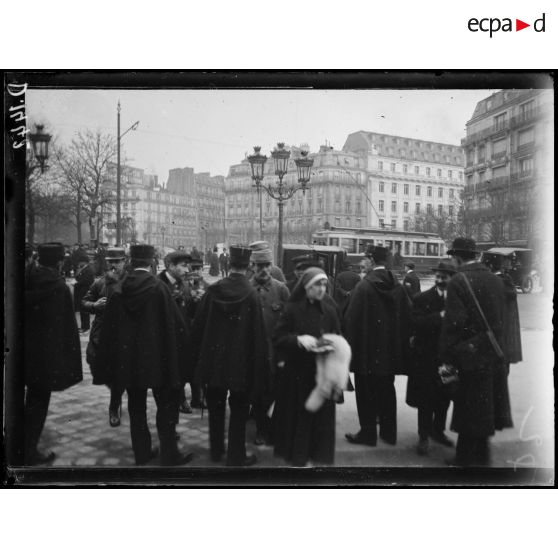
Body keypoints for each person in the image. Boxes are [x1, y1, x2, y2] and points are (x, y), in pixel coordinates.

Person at [97, 244, 194, 466]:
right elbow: (175, 326)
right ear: (152, 262)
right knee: (166, 405)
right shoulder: (159, 288)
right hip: (159, 359)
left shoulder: (119, 288)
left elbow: (109, 330)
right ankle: (170, 454)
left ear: (130, 261)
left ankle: (142, 453)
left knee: (136, 406)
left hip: (129, 361)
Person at [192, 245, 269, 466]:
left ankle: (216, 451)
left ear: (230, 264)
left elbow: (199, 326)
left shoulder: (213, 291)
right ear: (249, 267)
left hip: (214, 364)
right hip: (241, 365)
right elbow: (258, 335)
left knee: (215, 406)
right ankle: (236, 455)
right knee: (239, 410)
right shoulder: (251, 295)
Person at [439, 237, 508, 467]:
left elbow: (453, 325)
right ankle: (481, 456)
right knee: (485, 407)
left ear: (457, 257)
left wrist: (447, 359)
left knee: (467, 408)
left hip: (467, 356)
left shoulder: (459, 281)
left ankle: (465, 459)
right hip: (493, 355)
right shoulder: (495, 280)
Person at [272, 267, 342, 466]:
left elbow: (339, 339)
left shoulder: (329, 311)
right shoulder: (292, 309)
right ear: (306, 286)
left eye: (324, 284)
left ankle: (317, 457)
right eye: (317, 284)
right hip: (298, 375)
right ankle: (298, 460)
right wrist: (298, 340)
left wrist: (331, 347)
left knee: (320, 423)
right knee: (299, 421)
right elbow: (277, 338)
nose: (321, 289)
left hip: (321, 375)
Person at [344, 246, 411, 446]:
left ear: (372, 260)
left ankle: (368, 434)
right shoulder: (397, 286)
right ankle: (389, 434)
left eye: (365, 258)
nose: (362, 262)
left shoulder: (364, 287)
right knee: (387, 392)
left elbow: (350, 320)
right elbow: (407, 317)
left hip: (366, 353)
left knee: (365, 394)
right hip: (388, 354)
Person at [24, 243, 83, 465]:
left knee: (29, 401)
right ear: (59, 261)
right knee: (37, 405)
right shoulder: (57, 287)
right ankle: (28, 451)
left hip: (26, 353)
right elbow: (62, 328)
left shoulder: (28, 278)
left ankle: (20, 443)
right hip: (45, 357)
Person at [405, 261, 456, 456]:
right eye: (438, 276)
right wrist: (440, 316)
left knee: (444, 399)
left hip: (447, 359)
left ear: (452, 279)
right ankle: (424, 436)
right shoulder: (422, 298)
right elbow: (416, 323)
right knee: (426, 400)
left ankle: (438, 431)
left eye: (445, 277)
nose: (440, 280)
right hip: (426, 359)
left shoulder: (457, 301)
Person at [82, 248, 128, 427]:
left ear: (124, 262)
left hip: (122, 333)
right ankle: (115, 391)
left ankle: (114, 406)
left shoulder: (130, 283)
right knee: (95, 364)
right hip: (100, 334)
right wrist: (94, 305)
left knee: (118, 371)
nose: (113, 265)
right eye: (110, 261)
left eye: (117, 261)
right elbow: (83, 302)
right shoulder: (99, 283)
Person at [249, 248, 290, 445]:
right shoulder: (247, 289)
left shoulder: (281, 289)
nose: (264, 270)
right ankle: (262, 429)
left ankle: (270, 425)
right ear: (252, 266)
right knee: (257, 394)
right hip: (255, 353)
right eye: (260, 266)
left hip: (277, 352)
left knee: (276, 391)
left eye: (267, 265)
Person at [157, 251, 196, 415]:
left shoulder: (184, 284)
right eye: (183, 266)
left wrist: (196, 301)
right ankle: (167, 419)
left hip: (182, 338)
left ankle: (180, 399)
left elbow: (189, 312)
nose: (187, 270)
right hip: (164, 341)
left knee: (180, 372)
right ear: (171, 266)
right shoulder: (158, 284)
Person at [74, 255, 95, 333]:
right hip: (81, 291)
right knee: (82, 309)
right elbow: (77, 278)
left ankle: (85, 327)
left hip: (85, 291)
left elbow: (85, 281)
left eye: (80, 262)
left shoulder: (88, 270)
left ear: (84, 262)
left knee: (84, 310)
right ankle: (83, 326)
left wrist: (76, 284)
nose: (79, 263)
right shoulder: (83, 269)